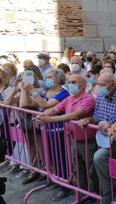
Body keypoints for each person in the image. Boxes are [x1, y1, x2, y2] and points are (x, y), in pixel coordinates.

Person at [35, 74, 97, 202]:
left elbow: (75, 115)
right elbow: (54, 109)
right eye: (69, 82)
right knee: (79, 170)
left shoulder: (88, 99)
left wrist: (49, 119)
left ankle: (95, 195)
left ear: (84, 85)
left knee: (92, 170)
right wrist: (41, 116)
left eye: (73, 82)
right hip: (74, 139)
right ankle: (83, 193)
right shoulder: (69, 98)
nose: (70, 84)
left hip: (88, 141)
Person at [79, 71, 116, 204]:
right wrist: (89, 120)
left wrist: (113, 126)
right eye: (98, 84)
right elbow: (97, 118)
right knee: (100, 167)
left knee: (100, 158)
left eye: (103, 84)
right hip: (101, 138)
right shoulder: (101, 96)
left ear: (113, 85)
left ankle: (110, 192)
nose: (99, 87)